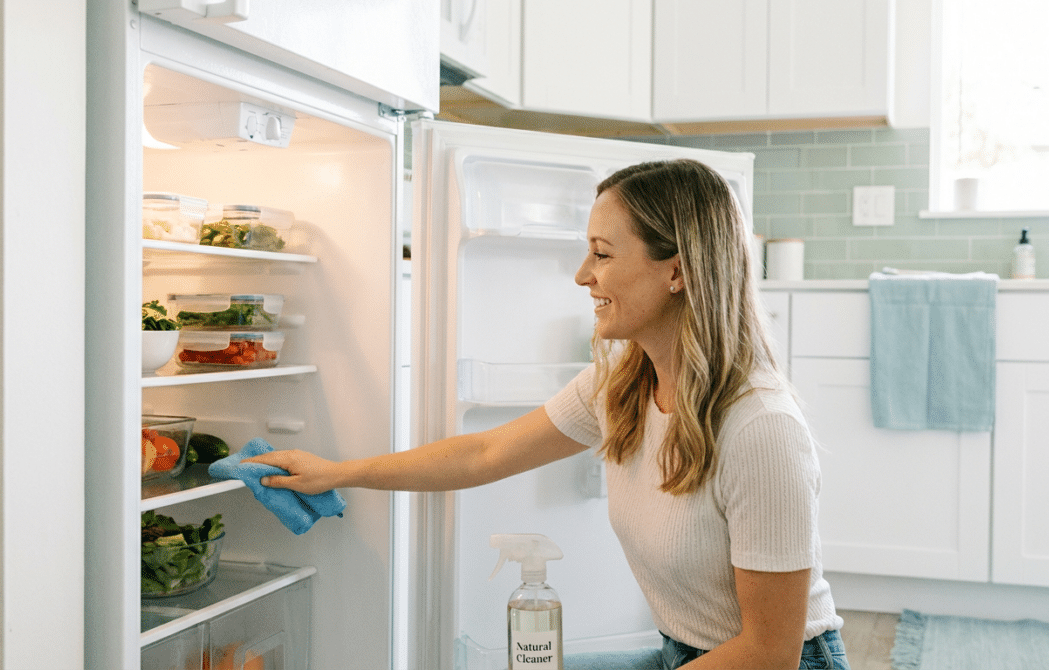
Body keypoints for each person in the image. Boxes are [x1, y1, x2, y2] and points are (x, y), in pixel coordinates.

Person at [246, 158, 848, 669]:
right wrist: (335, 472)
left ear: (679, 271)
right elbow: (485, 452)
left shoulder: (759, 427)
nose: (583, 275)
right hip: (681, 652)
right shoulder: (622, 386)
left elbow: (771, 651)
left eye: (602, 254)